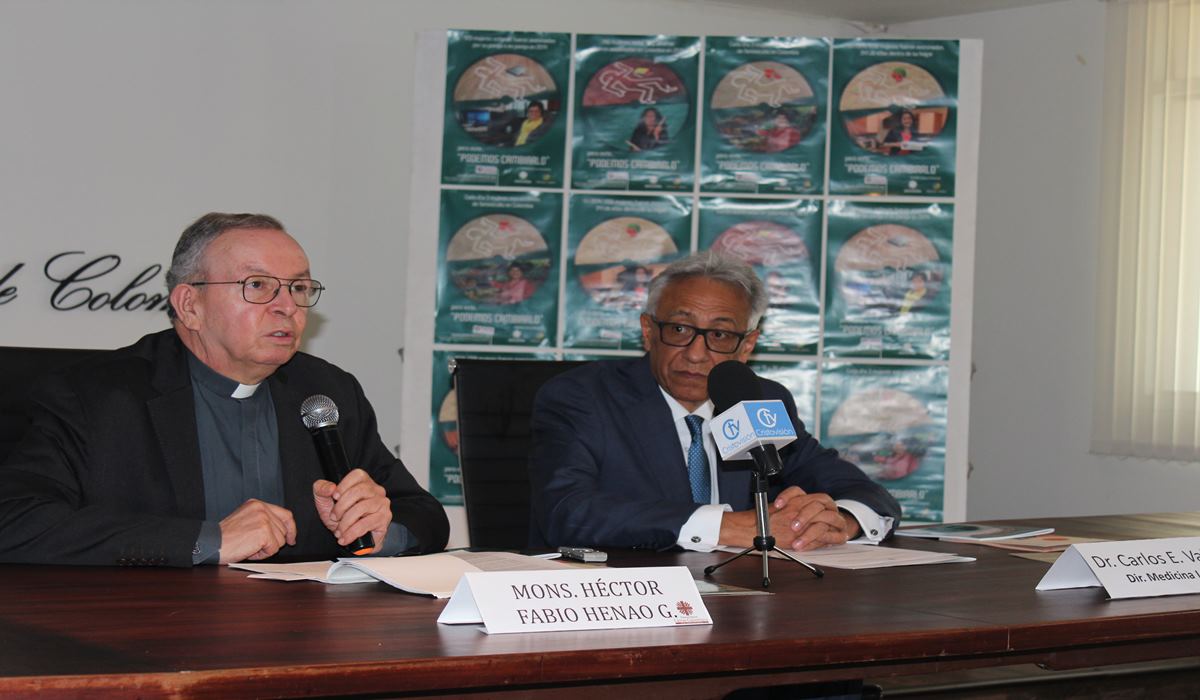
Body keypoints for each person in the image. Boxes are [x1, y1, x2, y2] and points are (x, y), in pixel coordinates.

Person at [0, 213, 449, 566]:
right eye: (258, 286)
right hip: (150, 637)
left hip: (304, 639)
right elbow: (14, 520)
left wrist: (378, 528)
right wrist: (209, 540)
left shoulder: (326, 391)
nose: (287, 307)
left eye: (298, 287)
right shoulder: (94, 396)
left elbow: (425, 516)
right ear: (189, 305)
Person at [530, 251, 901, 551]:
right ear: (648, 331)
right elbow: (568, 512)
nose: (696, 354)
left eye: (720, 334)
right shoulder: (584, 398)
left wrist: (837, 522)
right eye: (679, 329)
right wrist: (729, 527)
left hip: (742, 604)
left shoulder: (760, 401)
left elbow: (867, 494)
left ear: (747, 346)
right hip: (623, 603)